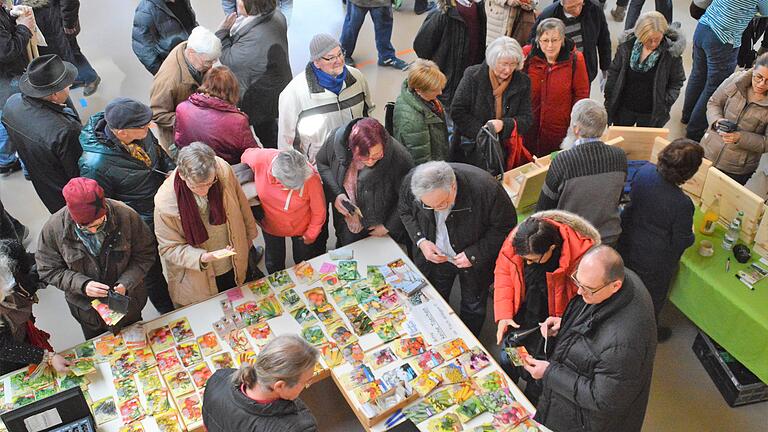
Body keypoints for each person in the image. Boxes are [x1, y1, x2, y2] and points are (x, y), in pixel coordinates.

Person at [523, 246, 657, 432]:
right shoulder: (617, 280)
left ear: (615, 285)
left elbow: (602, 398)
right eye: (577, 281)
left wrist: (549, 373)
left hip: (586, 421)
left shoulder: (622, 344)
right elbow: (594, 316)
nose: (579, 292)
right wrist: (567, 323)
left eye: (587, 289)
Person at [78, 97, 176, 314]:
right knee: (150, 270)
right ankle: (167, 309)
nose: (149, 128)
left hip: (164, 207)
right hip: (139, 222)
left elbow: (159, 152)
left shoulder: (140, 130)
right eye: (143, 126)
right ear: (121, 132)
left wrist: (170, 169)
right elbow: (106, 208)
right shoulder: (94, 164)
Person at [399, 161, 516, 334]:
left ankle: (470, 342)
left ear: (453, 187)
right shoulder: (411, 183)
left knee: (473, 305)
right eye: (428, 206)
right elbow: (404, 211)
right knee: (436, 297)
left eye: (441, 204)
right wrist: (421, 241)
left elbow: (506, 228)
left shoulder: (487, 188)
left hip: (475, 260)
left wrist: (474, 254)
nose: (437, 210)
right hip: (438, 257)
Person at [494, 210, 599, 401]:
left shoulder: (584, 259)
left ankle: (531, 402)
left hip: (553, 329)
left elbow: (586, 303)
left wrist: (564, 322)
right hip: (523, 322)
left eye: (532, 260)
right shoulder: (517, 242)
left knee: (539, 379)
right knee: (510, 359)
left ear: (551, 248)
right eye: (524, 260)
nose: (527, 263)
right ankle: (506, 397)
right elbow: (504, 273)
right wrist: (503, 313)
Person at [36, 178, 153, 339]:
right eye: (86, 227)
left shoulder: (126, 215)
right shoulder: (54, 229)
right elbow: (48, 269)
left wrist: (126, 282)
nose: (93, 231)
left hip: (127, 303)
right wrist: (82, 284)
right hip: (88, 311)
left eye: (99, 224)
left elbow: (145, 254)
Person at [154, 143, 259, 307]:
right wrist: (201, 257)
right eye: (196, 186)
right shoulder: (165, 202)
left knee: (238, 304)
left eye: (210, 183)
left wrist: (249, 235)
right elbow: (168, 248)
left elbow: (241, 203)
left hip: (232, 257)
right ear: (182, 175)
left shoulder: (222, 169)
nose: (204, 191)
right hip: (198, 271)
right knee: (213, 312)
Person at [618, 139, 702, 342]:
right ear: (688, 172)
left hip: (627, 241)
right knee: (650, 301)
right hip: (654, 262)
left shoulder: (645, 172)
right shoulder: (683, 204)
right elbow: (681, 241)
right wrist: (691, 235)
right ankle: (649, 332)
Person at [536, 99, 627, 247]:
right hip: (609, 240)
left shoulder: (563, 160)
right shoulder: (619, 156)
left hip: (574, 244)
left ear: (576, 129)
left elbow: (543, 211)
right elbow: (617, 198)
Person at [2, 54, 82, 214]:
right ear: (54, 94)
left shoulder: (12, 104)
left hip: (43, 186)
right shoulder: (65, 130)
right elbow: (77, 174)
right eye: (66, 85)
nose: (70, 85)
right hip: (69, 196)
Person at [317, 118, 414, 247]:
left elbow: (408, 196)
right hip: (347, 219)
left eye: (376, 155)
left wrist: (388, 226)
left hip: (380, 223)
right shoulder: (335, 141)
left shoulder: (399, 157)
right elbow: (322, 163)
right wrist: (337, 194)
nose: (370, 161)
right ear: (351, 148)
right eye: (362, 157)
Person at [277, 33, 373, 164]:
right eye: (331, 58)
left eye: (340, 54)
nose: (339, 61)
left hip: (356, 160)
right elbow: (286, 142)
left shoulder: (357, 78)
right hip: (320, 166)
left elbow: (367, 114)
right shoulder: (294, 93)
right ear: (316, 62)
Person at [682, 0, 768, 142]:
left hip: (704, 27)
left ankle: (687, 116)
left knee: (698, 75)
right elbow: (765, 11)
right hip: (724, 38)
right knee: (714, 87)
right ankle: (694, 131)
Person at [202, 335, 319, 432]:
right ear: (280, 386)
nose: (306, 387)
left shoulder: (218, 378)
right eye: (305, 383)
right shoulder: (300, 428)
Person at [216, 0, 292, 149]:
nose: (237, 4)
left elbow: (229, 59)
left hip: (260, 99)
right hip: (277, 85)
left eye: (241, 1)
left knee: (267, 132)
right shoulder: (277, 16)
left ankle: (275, 157)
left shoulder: (253, 39)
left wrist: (222, 32)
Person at [241, 148, 326, 274]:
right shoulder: (260, 159)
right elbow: (245, 157)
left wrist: (311, 234)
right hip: (271, 226)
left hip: (301, 229)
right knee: (274, 262)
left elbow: (319, 211)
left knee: (303, 262)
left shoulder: (309, 176)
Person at [451, 36, 532, 166]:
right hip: (471, 148)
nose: (508, 70)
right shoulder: (472, 76)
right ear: (493, 61)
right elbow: (457, 111)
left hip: (505, 150)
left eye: (513, 64)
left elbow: (527, 118)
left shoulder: (523, 81)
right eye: (504, 64)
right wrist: (485, 133)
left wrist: (504, 125)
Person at [0, 239, 70, 375]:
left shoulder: (11, 264)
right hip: (6, 358)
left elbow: (40, 264)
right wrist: (47, 357)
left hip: (20, 332)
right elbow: (3, 347)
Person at [604, 12, 686, 129]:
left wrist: (664, 101)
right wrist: (609, 98)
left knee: (645, 144)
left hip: (651, 112)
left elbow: (677, 82)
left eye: (657, 39)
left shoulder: (671, 53)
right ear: (639, 34)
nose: (653, 44)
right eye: (648, 40)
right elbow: (614, 72)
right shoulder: (626, 47)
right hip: (623, 108)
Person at [150, 26, 221, 158]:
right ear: (191, 53)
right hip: (178, 140)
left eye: (213, 61)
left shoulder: (191, 49)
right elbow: (157, 114)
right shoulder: (168, 80)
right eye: (207, 62)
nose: (211, 66)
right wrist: (189, 118)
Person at [523, 18, 589, 156]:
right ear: (538, 40)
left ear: (562, 39)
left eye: (555, 40)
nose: (550, 45)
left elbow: (581, 95)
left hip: (558, 129)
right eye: (545, 40)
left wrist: (574, 126)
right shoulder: (527, 55)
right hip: (528, 126)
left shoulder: (576, 59)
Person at [700, 57, 768, 185]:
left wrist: (740, 138)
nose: (761, 84)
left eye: (767, 81)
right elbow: (714, 103)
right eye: (758, 77)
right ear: (753, 69)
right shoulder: (736, 80)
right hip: (707, 151)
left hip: (737, 169)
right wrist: (716, 120)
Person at [174, 66, 259, 164]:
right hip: (226, 169)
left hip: (195, 166)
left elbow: (179, 141)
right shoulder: (237, 121)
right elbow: (252, 153)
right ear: (232, 89)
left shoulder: (182, 108)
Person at [413, 0, 487, 113]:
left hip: (470, 81)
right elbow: (421, 46)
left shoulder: (479, 9)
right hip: (447, 86)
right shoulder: (441, 14)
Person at [530, 0, 611, 84]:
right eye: (571, 7)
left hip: (585, 71)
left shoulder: (594, 9)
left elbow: (603, 39)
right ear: (562, 3)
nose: (577, 10)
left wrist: (605, 67)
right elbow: (534, 45)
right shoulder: (548, 16)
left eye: (580, 5)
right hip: (557, 75)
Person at [392, 59, 449, 164]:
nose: (440, 92)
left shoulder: (425, 99)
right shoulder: (414, 122)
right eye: (435, 89)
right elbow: (421, 161)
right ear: (419, 90)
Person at [0, 2, 33, 176]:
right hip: (7, 77)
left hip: (4, 82)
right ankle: (30, 168)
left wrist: (12, 17)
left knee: (4, 118)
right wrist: (24, 28)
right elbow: (7, 51)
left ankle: (5, 160)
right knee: (23, 122)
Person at [132, 0, 198, 75]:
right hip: (175, 69)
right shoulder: (146, 8)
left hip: (194, 63)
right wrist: (163, 72)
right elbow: (141, 47)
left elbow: (191, 24)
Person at [340, 0, 408, 70]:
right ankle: (344, 55)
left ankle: (386, 57)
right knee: (351, 27)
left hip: (382, 2)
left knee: (384, 28)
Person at [59, 0, 101, 96]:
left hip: (59, 23)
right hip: (48, 25)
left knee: (72, 51)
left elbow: (69, 2)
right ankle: (77, 78)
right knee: (62, 54)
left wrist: (68, 23)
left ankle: (90, 77)